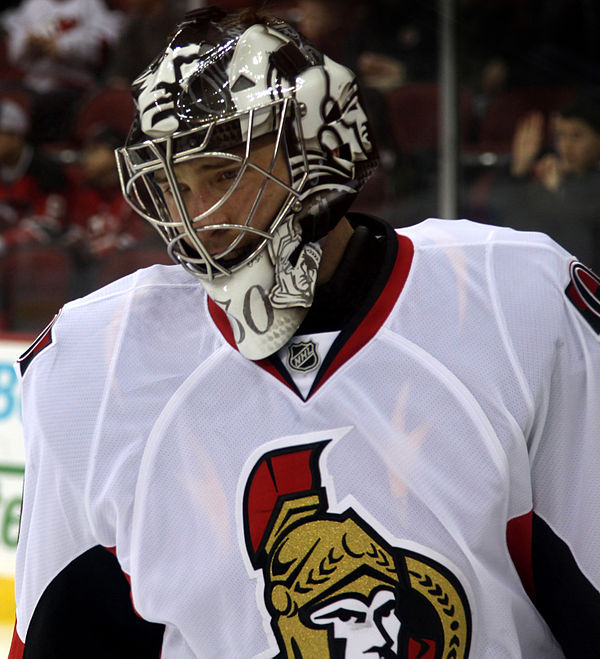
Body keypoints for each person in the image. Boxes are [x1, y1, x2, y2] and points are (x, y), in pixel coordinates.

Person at [9, 7, 600, 658]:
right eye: (177, 185)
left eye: (223, 174)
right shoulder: (97, 367)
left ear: (320, 146)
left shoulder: (513, 302)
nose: (201, 217)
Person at [476, 94, 600, 272]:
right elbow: (506, 223)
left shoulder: (575, 186)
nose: (566, 146)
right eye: (561, 136)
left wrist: (556, 191)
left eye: (576, 136)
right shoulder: (546, 181)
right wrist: (519, 172)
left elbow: (581, 239)